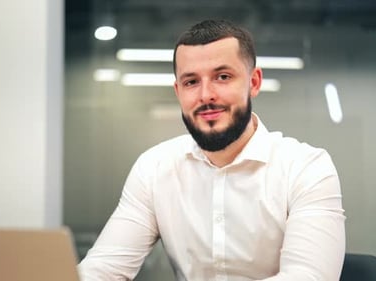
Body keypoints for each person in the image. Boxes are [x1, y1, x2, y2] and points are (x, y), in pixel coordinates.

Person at [78, 19, 345, 281]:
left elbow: (309, 276)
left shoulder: (306, 167)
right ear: (178, 91)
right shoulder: (154, 168)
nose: (206, 95)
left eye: (223, 77)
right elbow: (103, 269)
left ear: (253, 82)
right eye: (191, 82)